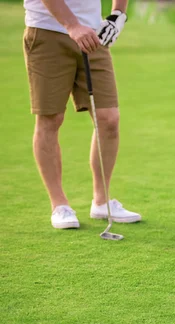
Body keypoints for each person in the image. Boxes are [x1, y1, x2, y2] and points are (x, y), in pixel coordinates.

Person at [23, 0, 141, 229]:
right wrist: (72, 25)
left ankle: (101, 201)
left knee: (109, 119)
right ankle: (59, 205)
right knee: (51, 119)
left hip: (93, 35)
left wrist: (118, 14)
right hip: (47, 32)